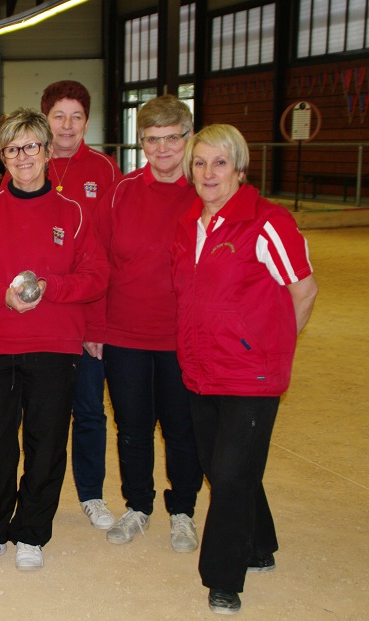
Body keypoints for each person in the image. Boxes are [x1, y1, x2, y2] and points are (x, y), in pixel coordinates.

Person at [0, 108, 108, 572]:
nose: (23, 156)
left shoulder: (73, 212)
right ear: (3, 157)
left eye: (31, 146)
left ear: (46, 151)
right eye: (13, 148)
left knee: (47, 442)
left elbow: (96, 275)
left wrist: (51, 288)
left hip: (54, 347)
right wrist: (1, 296)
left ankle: (32, 532)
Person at [174, 124, 318, 615]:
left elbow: (304, 290)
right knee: (224, 467)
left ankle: (223, 576)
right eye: (200, 162)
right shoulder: (189, 222)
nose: (208, 172)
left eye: (219, 162)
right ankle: (259, 543)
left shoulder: (267, 222)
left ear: (239, 167)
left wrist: (268, 348)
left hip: (249, 375)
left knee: (232, 475)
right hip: (199, 368)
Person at [92, 94, 204, 552]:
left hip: (185, 337)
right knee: (133, 427)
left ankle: (183, 511)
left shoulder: (205, 192)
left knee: (182, 428)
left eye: (172, 139)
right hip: (124, 335)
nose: (162, 150)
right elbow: (98, 262)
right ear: (141, 142)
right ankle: (138, 505)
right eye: (152, 140)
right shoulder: (121, 191)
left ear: (188, 138)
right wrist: (93, 327)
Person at [30, 81, 122, 530]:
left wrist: (97, 327)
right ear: (45, 119)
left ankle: (92, 494)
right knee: (40, 412)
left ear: (87, 121)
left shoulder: (105, 171)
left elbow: (107, 256)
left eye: (76, 117)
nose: (67, 126)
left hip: (86, 316)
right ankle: (33, 492)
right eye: (58, 116)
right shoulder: (26, 164)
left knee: (88, 409)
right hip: (40, 317)